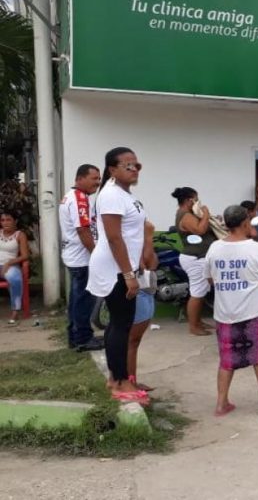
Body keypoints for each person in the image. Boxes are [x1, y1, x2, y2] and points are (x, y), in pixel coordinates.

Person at [206, 205, 258, 416]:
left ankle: (221, 404)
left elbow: (210, 279)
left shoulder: (214, 248)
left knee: (226, 361)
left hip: (225, 313)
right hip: (254, 312)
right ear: (246, 223)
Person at [87, 147, 148, 403]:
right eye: (128, 165)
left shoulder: (123, 194)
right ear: (112, 170)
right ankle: (121, 383)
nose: (135, 170)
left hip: (122, 267)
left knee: (119, 323)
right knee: (121, 324)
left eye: (137, 165)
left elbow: (132, 234)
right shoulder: (112, 194)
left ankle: (116, 378)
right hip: (114, 269)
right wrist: (128, 274)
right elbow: (114, 238)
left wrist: (136, 265)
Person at [59, 164, 104, 349]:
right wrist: (96, 255)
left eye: (99, 178)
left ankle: (75, 336)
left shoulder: (73, 196)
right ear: (80, 179)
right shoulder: (79, 199)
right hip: (82, 259)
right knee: (84, 301)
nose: (98, 182)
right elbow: (83, 230)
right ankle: (83, 338)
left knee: (77, 300)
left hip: (75, 257)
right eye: (94, 178)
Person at [173, 187, 217, 336]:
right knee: (197, 293)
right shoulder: (185, 215)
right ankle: (193, 327)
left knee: (201, 291)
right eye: (196, 200)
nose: (199, 203)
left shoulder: (189, 214)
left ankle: (198, 321)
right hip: (195, 258)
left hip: (200, 257)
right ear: (189, 200)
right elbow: (200, 230)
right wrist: (206, 214)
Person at [128, 220, 158, 391]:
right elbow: (149, 262)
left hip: (144, 288)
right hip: (138, 289)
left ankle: (131, 380)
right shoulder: (133, 239)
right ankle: (129, 382)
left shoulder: (135, 238)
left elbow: (152, 263)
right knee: (132, 340)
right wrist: (148, 236)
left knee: (134, 341)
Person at [0, 211, 30, 325]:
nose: (5, 223)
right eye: (3, 220)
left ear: (15, 221)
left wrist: (9, 263)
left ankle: (15, 311)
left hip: (11, 265)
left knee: (15, 279)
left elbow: (25, 255)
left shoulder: (20, 235)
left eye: (8, 220)